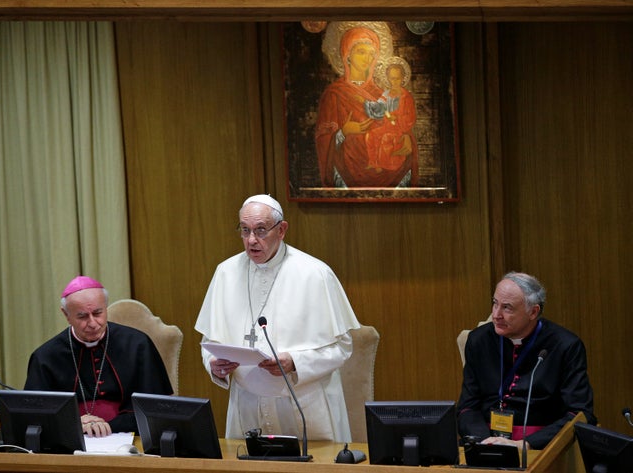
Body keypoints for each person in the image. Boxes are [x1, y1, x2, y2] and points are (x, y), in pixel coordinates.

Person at [194, 194, 360, 442]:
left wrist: (295, 361)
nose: (251, 240)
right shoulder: (225, 273)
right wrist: (214, 365)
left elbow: (343, 347)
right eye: (245, 230)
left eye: (261, 230)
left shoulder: (315, 274)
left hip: (304, 404)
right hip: (246, 406)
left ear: (281, 230)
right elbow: (210, 340)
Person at [457, 272, 596, 450]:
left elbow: (580, 414)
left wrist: (526, 444)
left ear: (533, 312)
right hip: (484, 442)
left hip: (541, 448)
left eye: (507, 307)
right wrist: (486, 442)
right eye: (495, 303)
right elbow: (467, 407)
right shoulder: (479, 340)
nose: (496, 314)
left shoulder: (565, 346)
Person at [25, 276, 173, 437]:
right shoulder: (46, 356)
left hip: (131, 435)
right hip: (72, 438)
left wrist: (109, 426)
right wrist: (73, 422)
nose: (93, 323)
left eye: (98, 313)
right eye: (82, 316)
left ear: (106, 307)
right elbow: (36, 415)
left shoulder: (138, 344)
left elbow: (155, 408)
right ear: (66, 314)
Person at [315, 25, 417, 188]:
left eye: (371, 54)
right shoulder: (334, 94)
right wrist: (344, 132)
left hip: (389, 165)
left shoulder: (383, 93)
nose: (367, 58)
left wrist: (405, 137)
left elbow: (397, 123)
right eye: (361, 52)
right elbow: (323, 140)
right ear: (347, 54)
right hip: (347, 170)